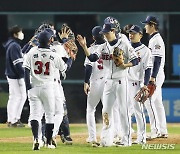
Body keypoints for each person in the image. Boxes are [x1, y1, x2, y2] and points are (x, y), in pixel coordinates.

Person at [77, 17, 139, 147]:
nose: (104, 34)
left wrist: (125, 65)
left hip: (121, 81)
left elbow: (136, 60)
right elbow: (92, 58)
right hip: (108, 82)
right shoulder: (103, 47)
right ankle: (105, 141)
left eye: (107, 31)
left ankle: (126, 140)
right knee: (106, 111)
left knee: (123, 111)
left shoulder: (124, 44)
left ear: (114, 31)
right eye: (104, 32)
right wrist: (84, 47)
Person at [23, 30, 68, 150]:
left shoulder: (31, 52)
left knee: (35, 115)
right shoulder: (54, 55)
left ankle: (36, 139)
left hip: (33, 87)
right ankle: (48, 142)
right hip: (48, 87)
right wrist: (70, 58)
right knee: (49, 116)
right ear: (50, 40)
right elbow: (64, 69)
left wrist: (28, 87)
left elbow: (26, 71)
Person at [141, 16, 168, 139]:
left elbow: (157, 60)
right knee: (157, 103)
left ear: (152, 25)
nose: (145, 26)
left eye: (146, 24)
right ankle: (163, 130)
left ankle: (155, 130)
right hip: (157, 74)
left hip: (156, 75)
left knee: (149, 101)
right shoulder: (154, 39)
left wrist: (152, 77)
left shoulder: (156, 40)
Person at [127, 25, 152, 144]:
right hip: (124, 82)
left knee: (138, 110)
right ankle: (125, 136)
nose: (131, 35)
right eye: (130, 33)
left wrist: (145, 84)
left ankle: (142, 137)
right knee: (124, 110)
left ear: (140, 35)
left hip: (136, 83)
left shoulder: (145, 50)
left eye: (134, 33)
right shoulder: (125, 47)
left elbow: (148, 69)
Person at [83, 26, 106, 146]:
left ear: (93, 37)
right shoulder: (110, 46)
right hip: (108, 82)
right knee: (110, 110)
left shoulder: (91, 49)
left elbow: (88, 67)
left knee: (91, 110)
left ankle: (92, 137)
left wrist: (86, 82)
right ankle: (108, 136)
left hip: (96, 82)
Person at [4, 25, 26, 127]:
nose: (22, 34)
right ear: (15, 34)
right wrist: (23, 74)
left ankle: (12, 119)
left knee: (14, 97)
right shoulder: (14, 46)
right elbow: (17, 63)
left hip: (12, 74)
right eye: (20, 32)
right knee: (19, 96)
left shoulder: (12, 44)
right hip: (15, 75)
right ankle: (14, 120)